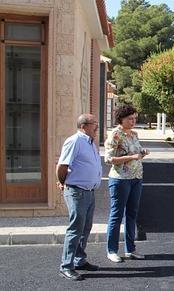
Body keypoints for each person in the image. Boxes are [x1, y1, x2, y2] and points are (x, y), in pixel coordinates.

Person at [57, 114, 102, 281]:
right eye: (94, 123)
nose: (97, 126)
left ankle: (79, 260)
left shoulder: (90, 142)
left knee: (86, 227)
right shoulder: (75, 141)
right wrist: (63, 182)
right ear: (83, 126)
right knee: (75, 229)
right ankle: (66, 266)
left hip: (89, 192)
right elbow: (62, 165)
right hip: (77, 191)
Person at [104, 105, 149, 263]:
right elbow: (109, 159)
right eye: (130, 118)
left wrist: (142, 154)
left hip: (136, 178)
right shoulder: (115, 134)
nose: (133, 121)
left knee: (132, 215)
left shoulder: (134, 134)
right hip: (120, 180)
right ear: (121, 119)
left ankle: (130, 249)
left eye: (135, 118)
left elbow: (136, 154)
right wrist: (131, 157)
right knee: (116, 215)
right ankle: (111, 250)